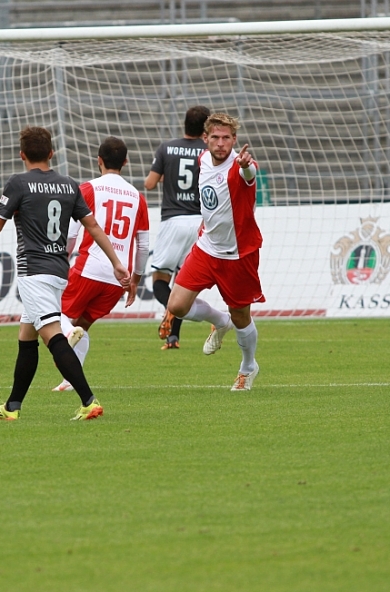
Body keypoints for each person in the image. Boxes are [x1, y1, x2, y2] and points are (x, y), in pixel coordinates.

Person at [0, 126, 129, 421]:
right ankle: (12, 406)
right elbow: (92, 226)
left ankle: (89, 401)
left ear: (22, 154)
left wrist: (11, 207)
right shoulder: (68, 184)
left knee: (53, 335)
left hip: (33, 270)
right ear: (51, 153)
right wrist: (116, 262)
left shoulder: (18, 183)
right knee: (27, 336)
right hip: (59, 270)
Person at [166, 112, 263, 391]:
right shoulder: (202, 160)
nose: (221, 143)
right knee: (177, 306)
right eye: (216, 137)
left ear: (234, 139)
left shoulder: (241, 165)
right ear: (205, 138)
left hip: (238, 254)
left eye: (227, 138)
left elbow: (249, 173)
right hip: (206, 248)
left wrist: (245, 166)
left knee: (241, 316)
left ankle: (248, 367)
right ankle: (220, 322)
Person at [52, 136, 149, 392]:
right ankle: (70, 381)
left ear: (99, 160)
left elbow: (71, 233)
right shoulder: (138, 197)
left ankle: (67, 340)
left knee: (54, 314)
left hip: (89, 268)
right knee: (82, 326)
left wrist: (62, 260)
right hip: (118, 278)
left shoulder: (88, 189)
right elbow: (143, 245)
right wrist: (135, 280)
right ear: (125, 162)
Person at [145, 105, 211, 350]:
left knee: (159, 280)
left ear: (185, 123)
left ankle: (169, 312)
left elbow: (149, 184)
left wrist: (167, 175)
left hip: (173, 221)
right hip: (200, 223)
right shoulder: (208, 151)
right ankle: (173, 338)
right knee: (183, 284)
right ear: (206, 127)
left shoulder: (166, 148)